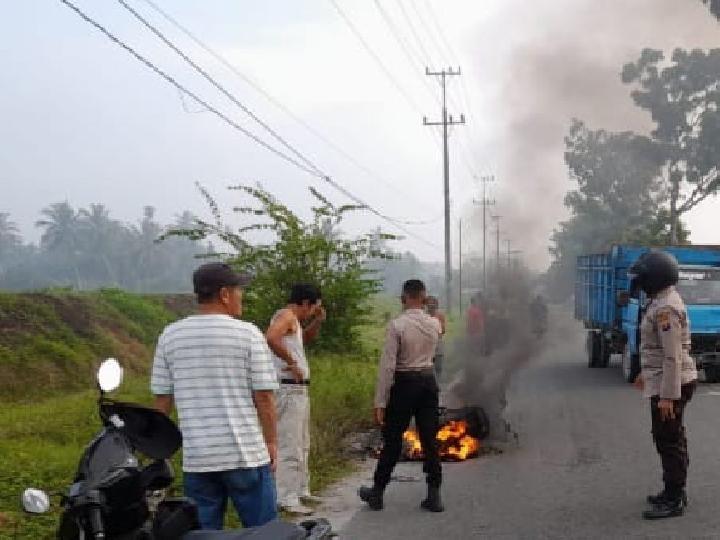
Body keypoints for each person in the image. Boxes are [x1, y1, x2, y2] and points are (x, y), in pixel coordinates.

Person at [150, 262, 279, 530]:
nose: (240, 295)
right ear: (224, 294)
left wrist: (158, 453)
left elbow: (162, 402)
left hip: (199, 460)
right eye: (238, 290)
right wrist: (272, 443)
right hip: (246, 456)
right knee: (263, 533)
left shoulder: (170, 336)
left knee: (203, 534)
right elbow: (264, 397)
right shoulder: (248, 334)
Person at [359, 279, 444, 513]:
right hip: (429, 382)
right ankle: (434, 495)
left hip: (405, 383)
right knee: (429, 439)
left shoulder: (397, 326)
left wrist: (380, 401)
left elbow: (388, 367)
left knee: (393, 439)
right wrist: (433, 311)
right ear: (424, 298)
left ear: (403, 298)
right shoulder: (434, 324)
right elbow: (441, 326)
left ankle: (377, 493)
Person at [629, 250, 698, 520]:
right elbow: (658, 351)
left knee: (668, 439)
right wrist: (646, 374)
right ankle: (674, 490)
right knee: (669, 437)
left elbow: (672, 356)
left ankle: (674, 498)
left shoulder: (665, 308)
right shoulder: (661, 301)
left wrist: (668, 396)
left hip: (673, 384)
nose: (640, 282)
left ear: (656, 277)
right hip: (668, 380)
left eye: (644, 277)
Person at [265, 283, 326, 516]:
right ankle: (286, 496)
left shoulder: (294, 322)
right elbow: (271, 337)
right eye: (314, 308)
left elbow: (305, 339)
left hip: (299, 391)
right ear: (305, 303)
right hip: (288, 390)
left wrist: (318, 321)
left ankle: (300, 488)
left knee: (302, 443)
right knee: (290, 444)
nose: (313, 311)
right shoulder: (286, 316)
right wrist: (291, 363)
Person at [425, 295, 447, 380]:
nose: (431, 307)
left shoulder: (440, 315)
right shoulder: (424, 316)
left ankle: (437, 384)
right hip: (427, 345)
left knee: (438, 367)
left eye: (432, 305)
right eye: (429, 305)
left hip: (437, 344)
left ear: (436, 305)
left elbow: (443, 330)